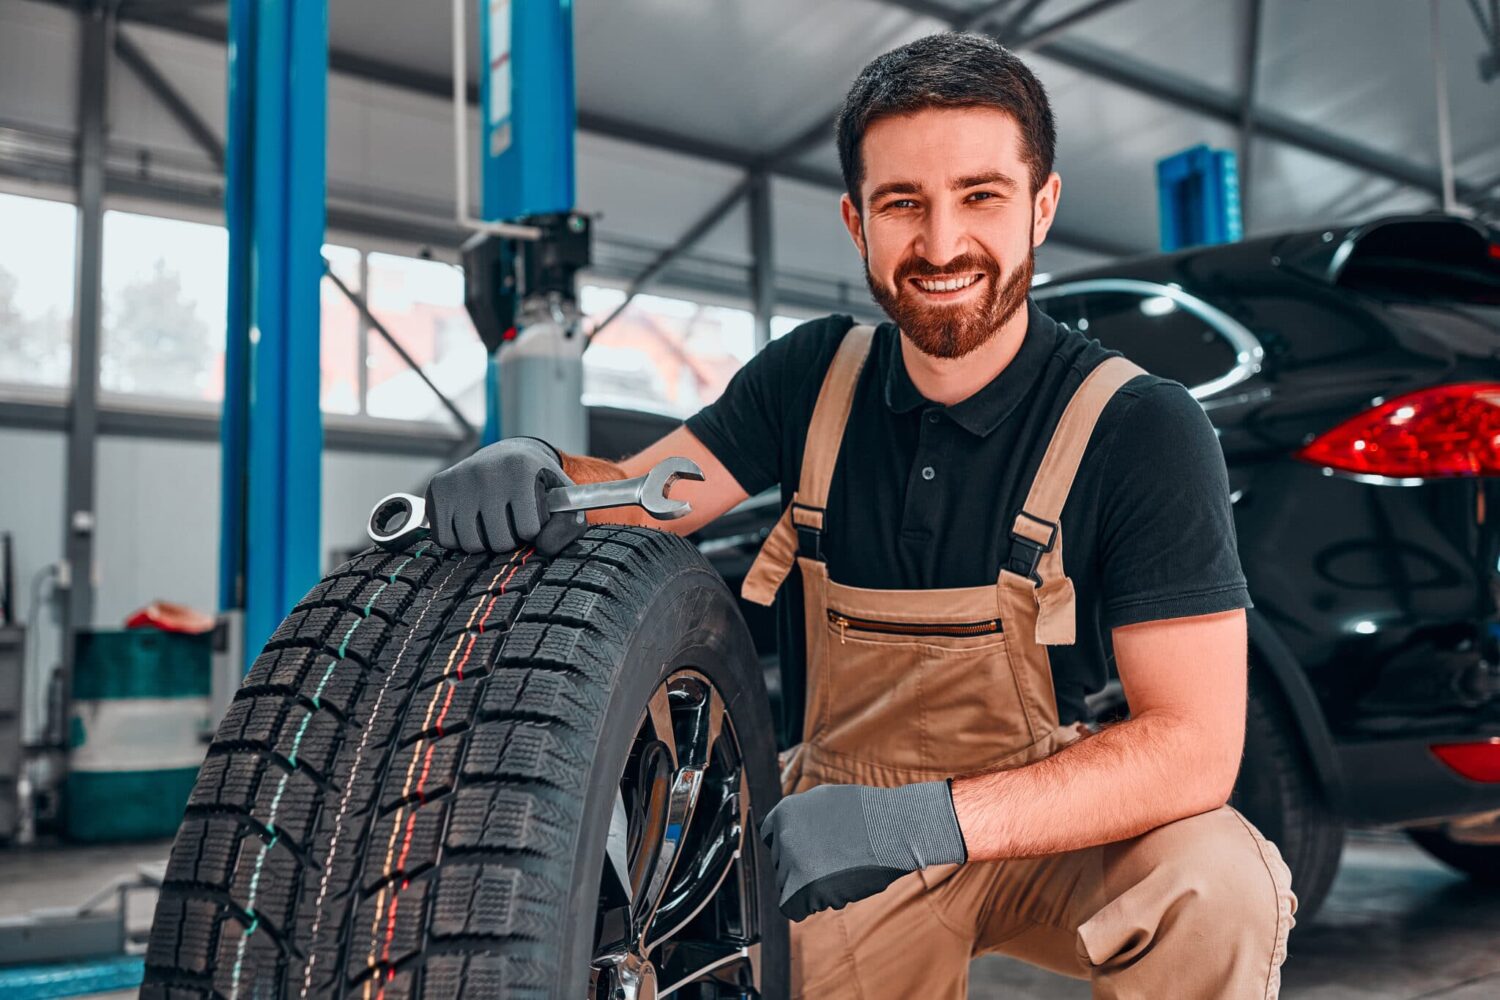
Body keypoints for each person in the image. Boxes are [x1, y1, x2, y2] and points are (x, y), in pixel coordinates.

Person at [425, 31, 1296, 1000]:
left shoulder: (1139, 423)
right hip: (840, 825)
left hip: (1050, 817)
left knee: (1218, 882)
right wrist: (543, 469)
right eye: (902, 203)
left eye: (980, 195)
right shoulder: (813, 377)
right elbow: (644, 494)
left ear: (1042, 204)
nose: (940, 243)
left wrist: (928, 820)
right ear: (855, 220)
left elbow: (1195, 746)